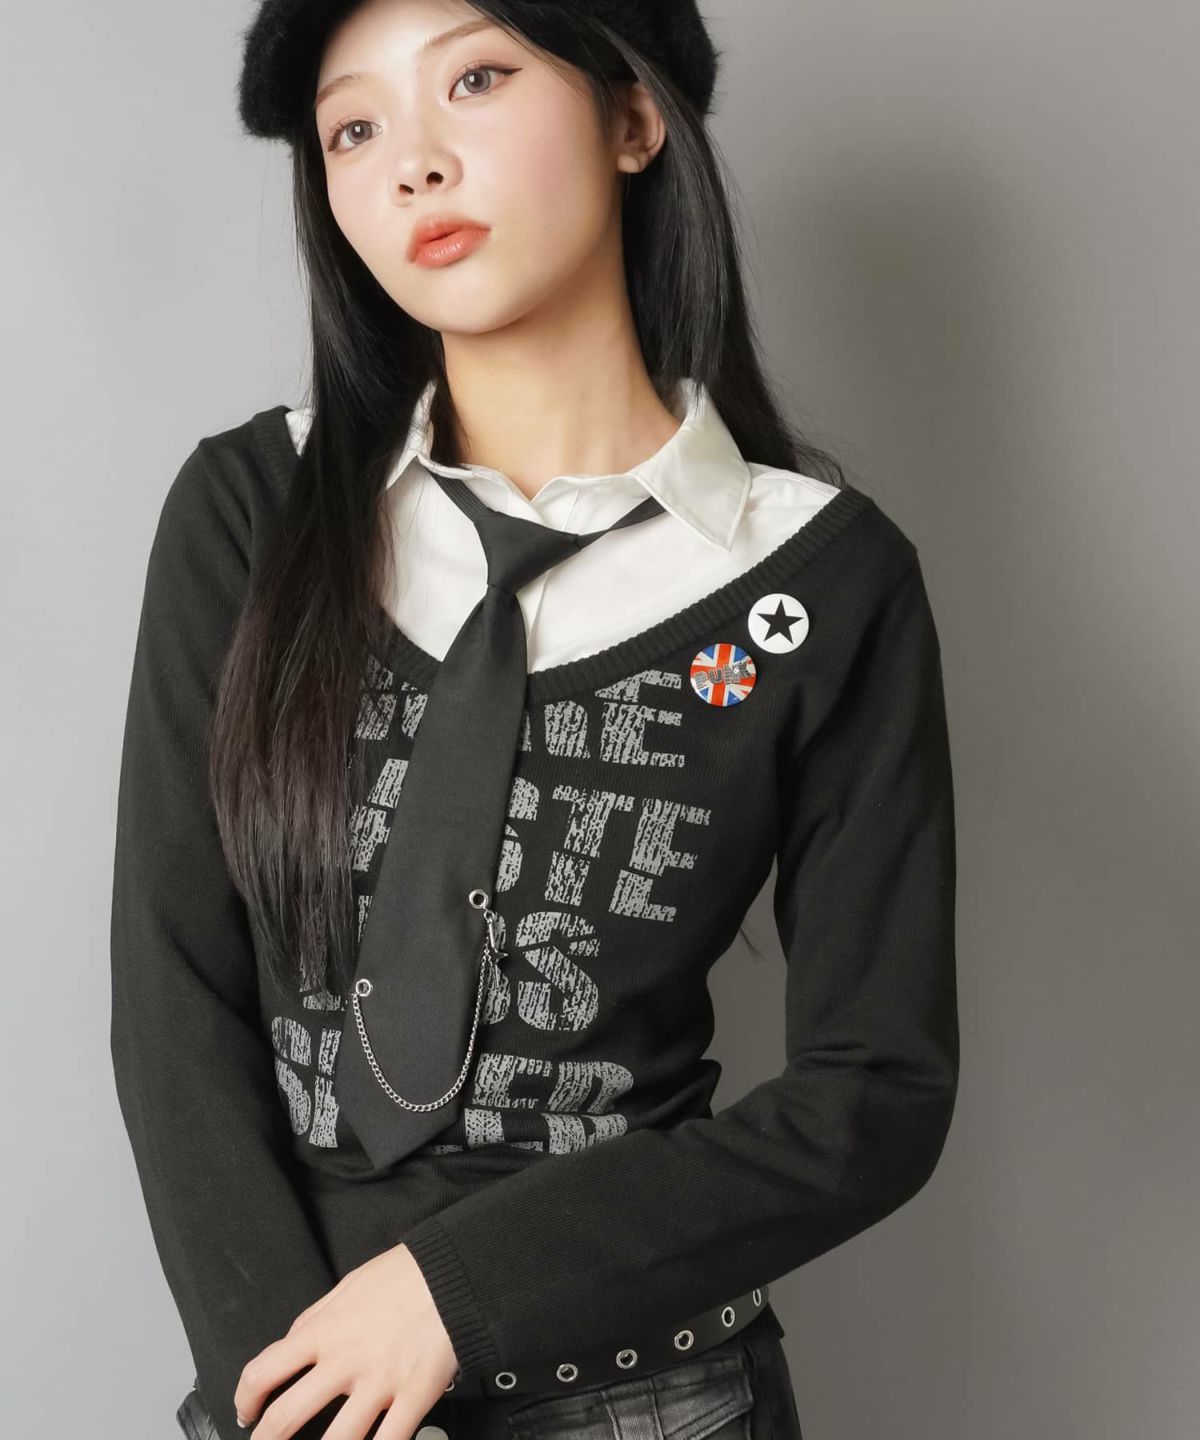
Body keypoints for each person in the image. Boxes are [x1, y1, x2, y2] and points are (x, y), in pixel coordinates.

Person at [109, 2, 960, 1438]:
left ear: (633, 118)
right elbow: (173, 993)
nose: (411, 163)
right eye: (353, 128)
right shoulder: (254, 513)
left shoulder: (818, 581)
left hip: (652, 1401)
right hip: (298, 1398)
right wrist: (287, 1399)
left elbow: (875, 1092)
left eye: (478, 79)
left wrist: (451, 1294)